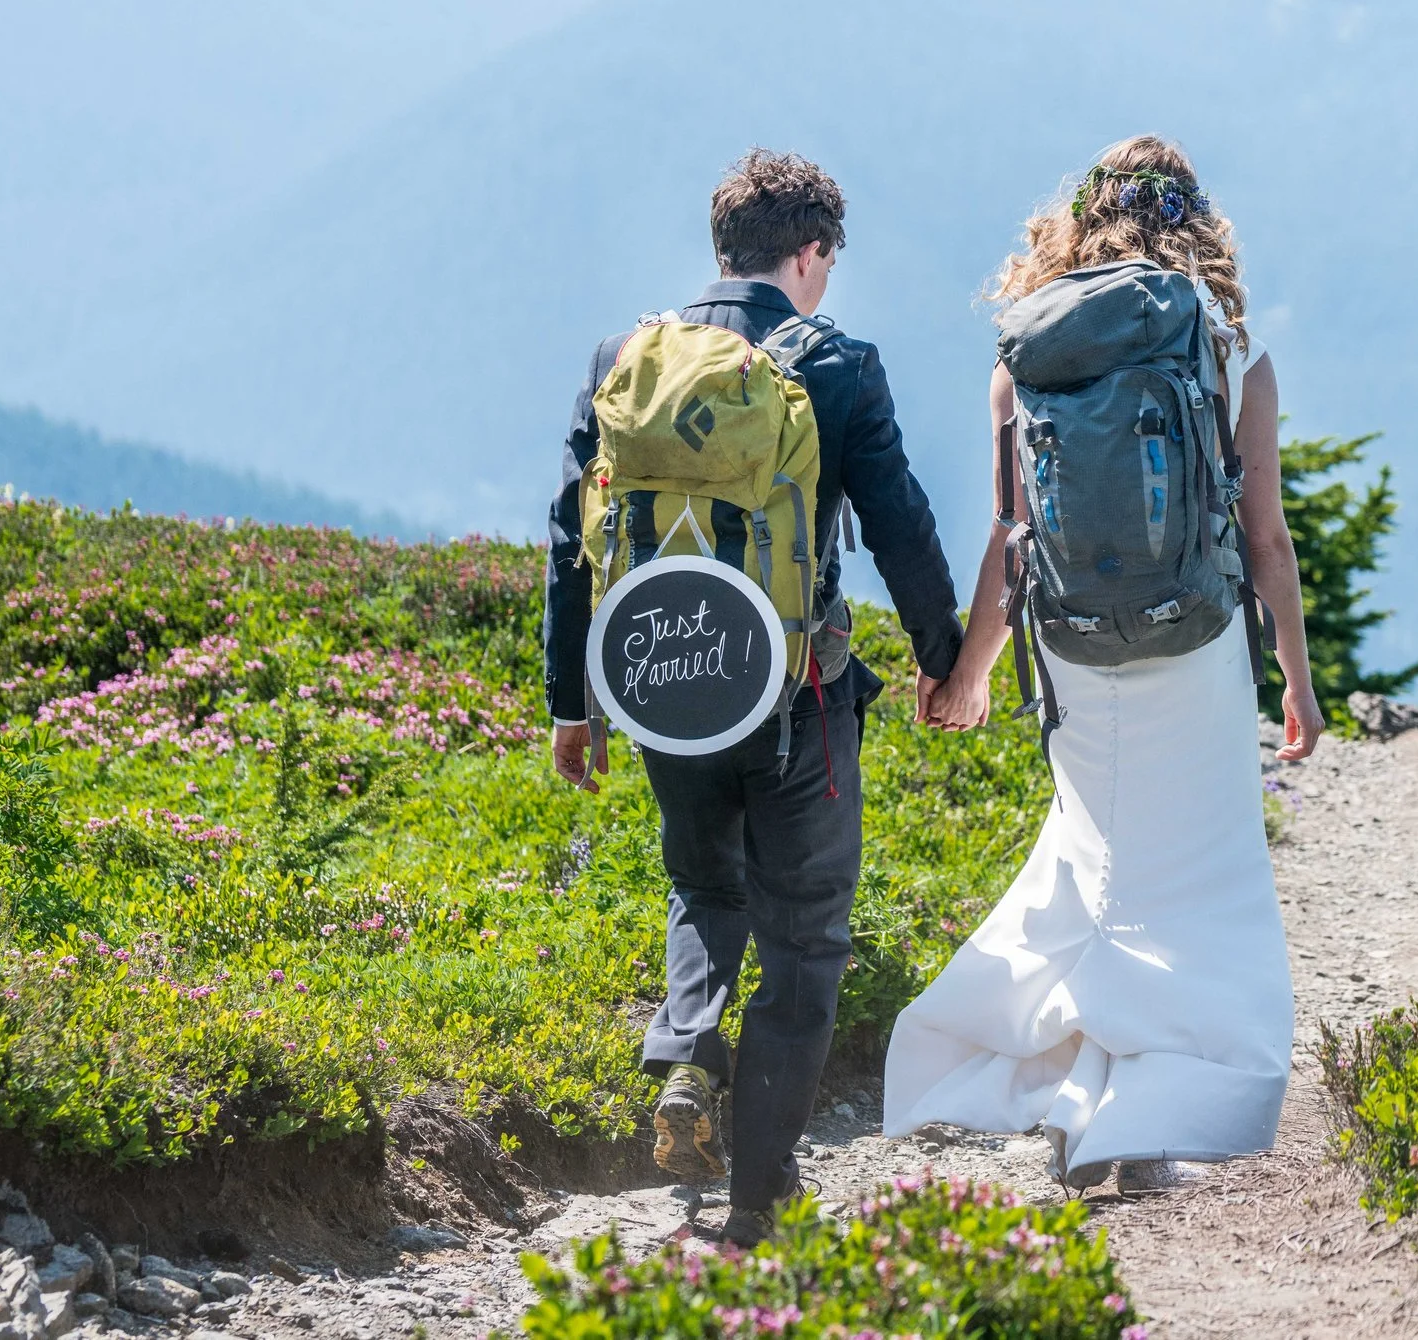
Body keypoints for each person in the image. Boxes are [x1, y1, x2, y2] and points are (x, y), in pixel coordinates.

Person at [880, 134, 1324, 1192]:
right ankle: (1144, 1125)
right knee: (1192, 880)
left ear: (1077, 227)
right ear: (1197, 227)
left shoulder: (1028, 354)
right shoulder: (1229, 350)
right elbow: (1264, 538)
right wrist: (1298, 678)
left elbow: (1010, 536)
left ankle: (1075, 1113)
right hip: (1199, 645)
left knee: (1094, 865)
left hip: (1071, 647)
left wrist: (972, 670)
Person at [544, 149, 965, 1245]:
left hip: (662, 685)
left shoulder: (624, 357)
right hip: (801, 692)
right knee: (807, 937)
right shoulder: (835, 360)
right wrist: (942, 655)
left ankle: (686, 1057)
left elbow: (568, 537)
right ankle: (759, 1195)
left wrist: (574, 701)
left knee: (702, 881)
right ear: (811, 254)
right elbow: (898, 522)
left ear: (719, 248)